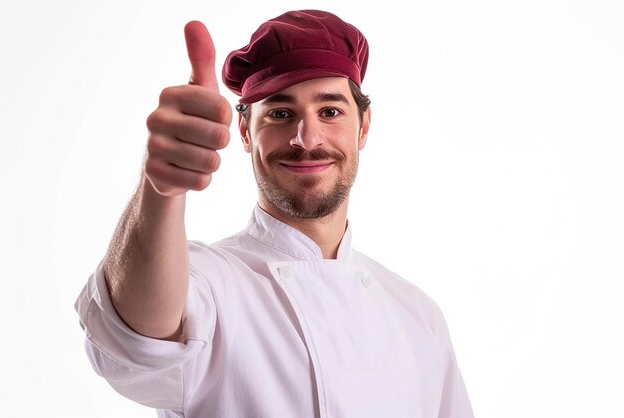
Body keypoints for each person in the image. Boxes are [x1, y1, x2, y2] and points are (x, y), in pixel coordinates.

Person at [75, 9, 474, 418]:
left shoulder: (418, 317)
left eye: (331, 111)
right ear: (246, 132)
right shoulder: (209, 283)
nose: (307, 139)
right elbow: (134, 340)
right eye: (280, 114)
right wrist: (159, 190)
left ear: (364, 126)